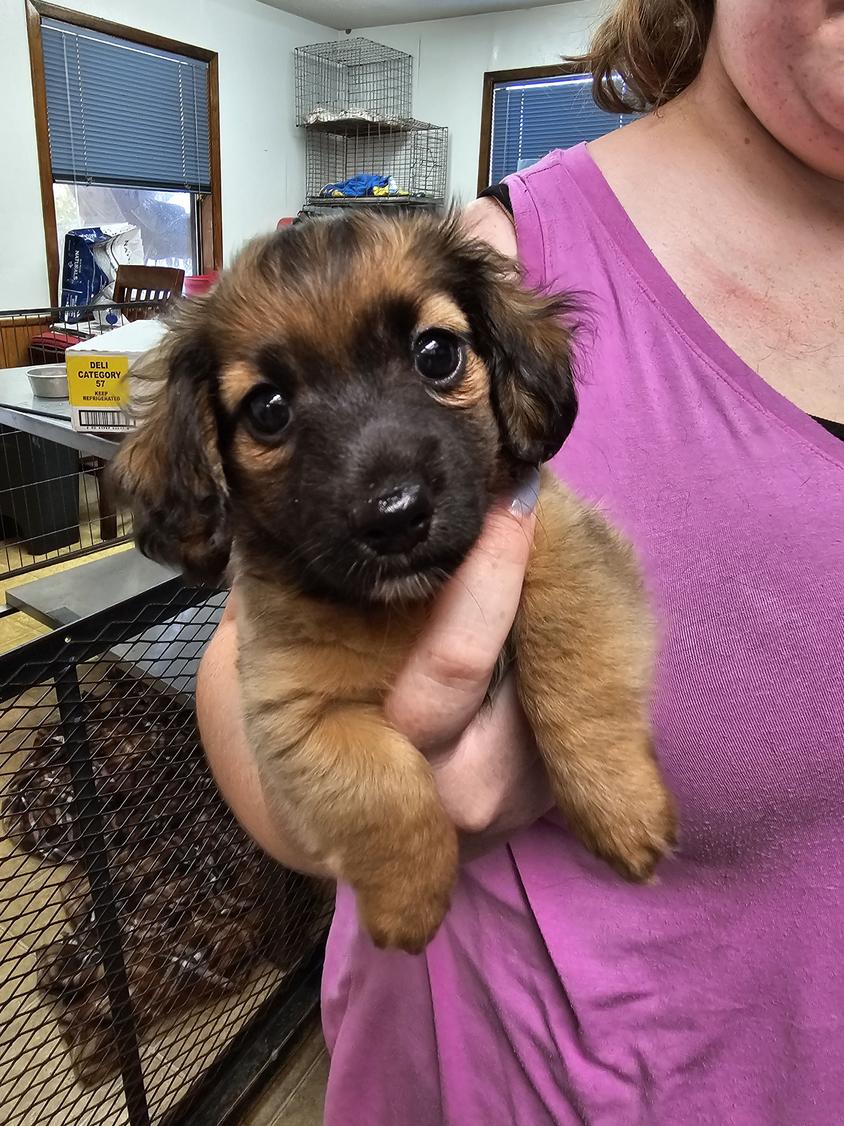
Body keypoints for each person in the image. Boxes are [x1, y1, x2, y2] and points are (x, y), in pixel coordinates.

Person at [197, 0, 844, 1120]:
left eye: (435, 359)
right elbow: (255, 669)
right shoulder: (506, 249)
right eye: (273, 412)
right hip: (529, 1070)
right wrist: (372, 801)